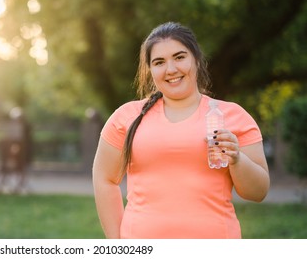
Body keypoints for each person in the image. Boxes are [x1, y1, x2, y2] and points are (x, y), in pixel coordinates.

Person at [92, 22, 270, 239]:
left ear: (196, 59)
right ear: (150, 69)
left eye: (179, 57)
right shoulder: (127, 117)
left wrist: (237, 159)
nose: (171, 69)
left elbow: (258, 192)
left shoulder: (231, 116)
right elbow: (104, 179)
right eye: (159, 62)